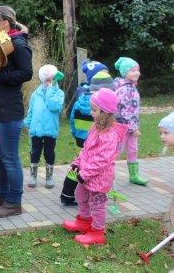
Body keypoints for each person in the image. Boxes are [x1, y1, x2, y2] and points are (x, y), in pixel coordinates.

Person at [0, 5, 33, 218]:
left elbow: (26, 73)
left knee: (9, 157)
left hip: (8, 111)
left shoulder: (19, 45)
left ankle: (14, 202)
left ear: (5, 23)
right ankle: (0, 195)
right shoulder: (0, 43)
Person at [62, 88, 128, 245]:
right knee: (80, 195)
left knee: (98, 204)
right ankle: (85, 220)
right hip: (86, 174)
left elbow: (102, 159)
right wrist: (77, 163)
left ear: (104, 112)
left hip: (99, 178)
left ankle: (98, 232)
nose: (91, 112)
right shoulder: (95, 128)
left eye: (94, 109)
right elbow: (86, 149)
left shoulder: (109, 135)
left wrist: (85, 174)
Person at [62, 72, 114, 205]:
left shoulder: (81, 100)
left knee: (82, 166)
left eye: (93, 111)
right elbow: (91, 153)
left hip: (81, 137)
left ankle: (67, 194)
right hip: (90, 145)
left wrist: (74, 132)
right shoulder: (99, 112)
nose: (91, 113)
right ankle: (75, 196)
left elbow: (73, 118)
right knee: (83, 169)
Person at [24, 65, 64, 189]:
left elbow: (55, 107)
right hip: (36, 130)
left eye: (52, 79)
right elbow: (31, 110)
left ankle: (49, 177)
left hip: (50, 130)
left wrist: (51, 91)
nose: (49, 82)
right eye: (47, 80)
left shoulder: (58, 93)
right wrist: (28, 123)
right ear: (43, 80)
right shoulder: (36, 94)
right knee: (34, 152)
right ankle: (33, 176)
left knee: (49, 152)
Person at [114, 57, 147, 185]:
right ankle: (106, 175)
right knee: (116, 151)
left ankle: (134, 175)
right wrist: (133, 129)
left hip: (131, 127)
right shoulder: (124, 89)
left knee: (133, 150)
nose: (137, 73)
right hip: (123, 128)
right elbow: (125, 112)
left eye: (138, 70)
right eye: (133, 70)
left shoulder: (131, 86)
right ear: (125, 72)